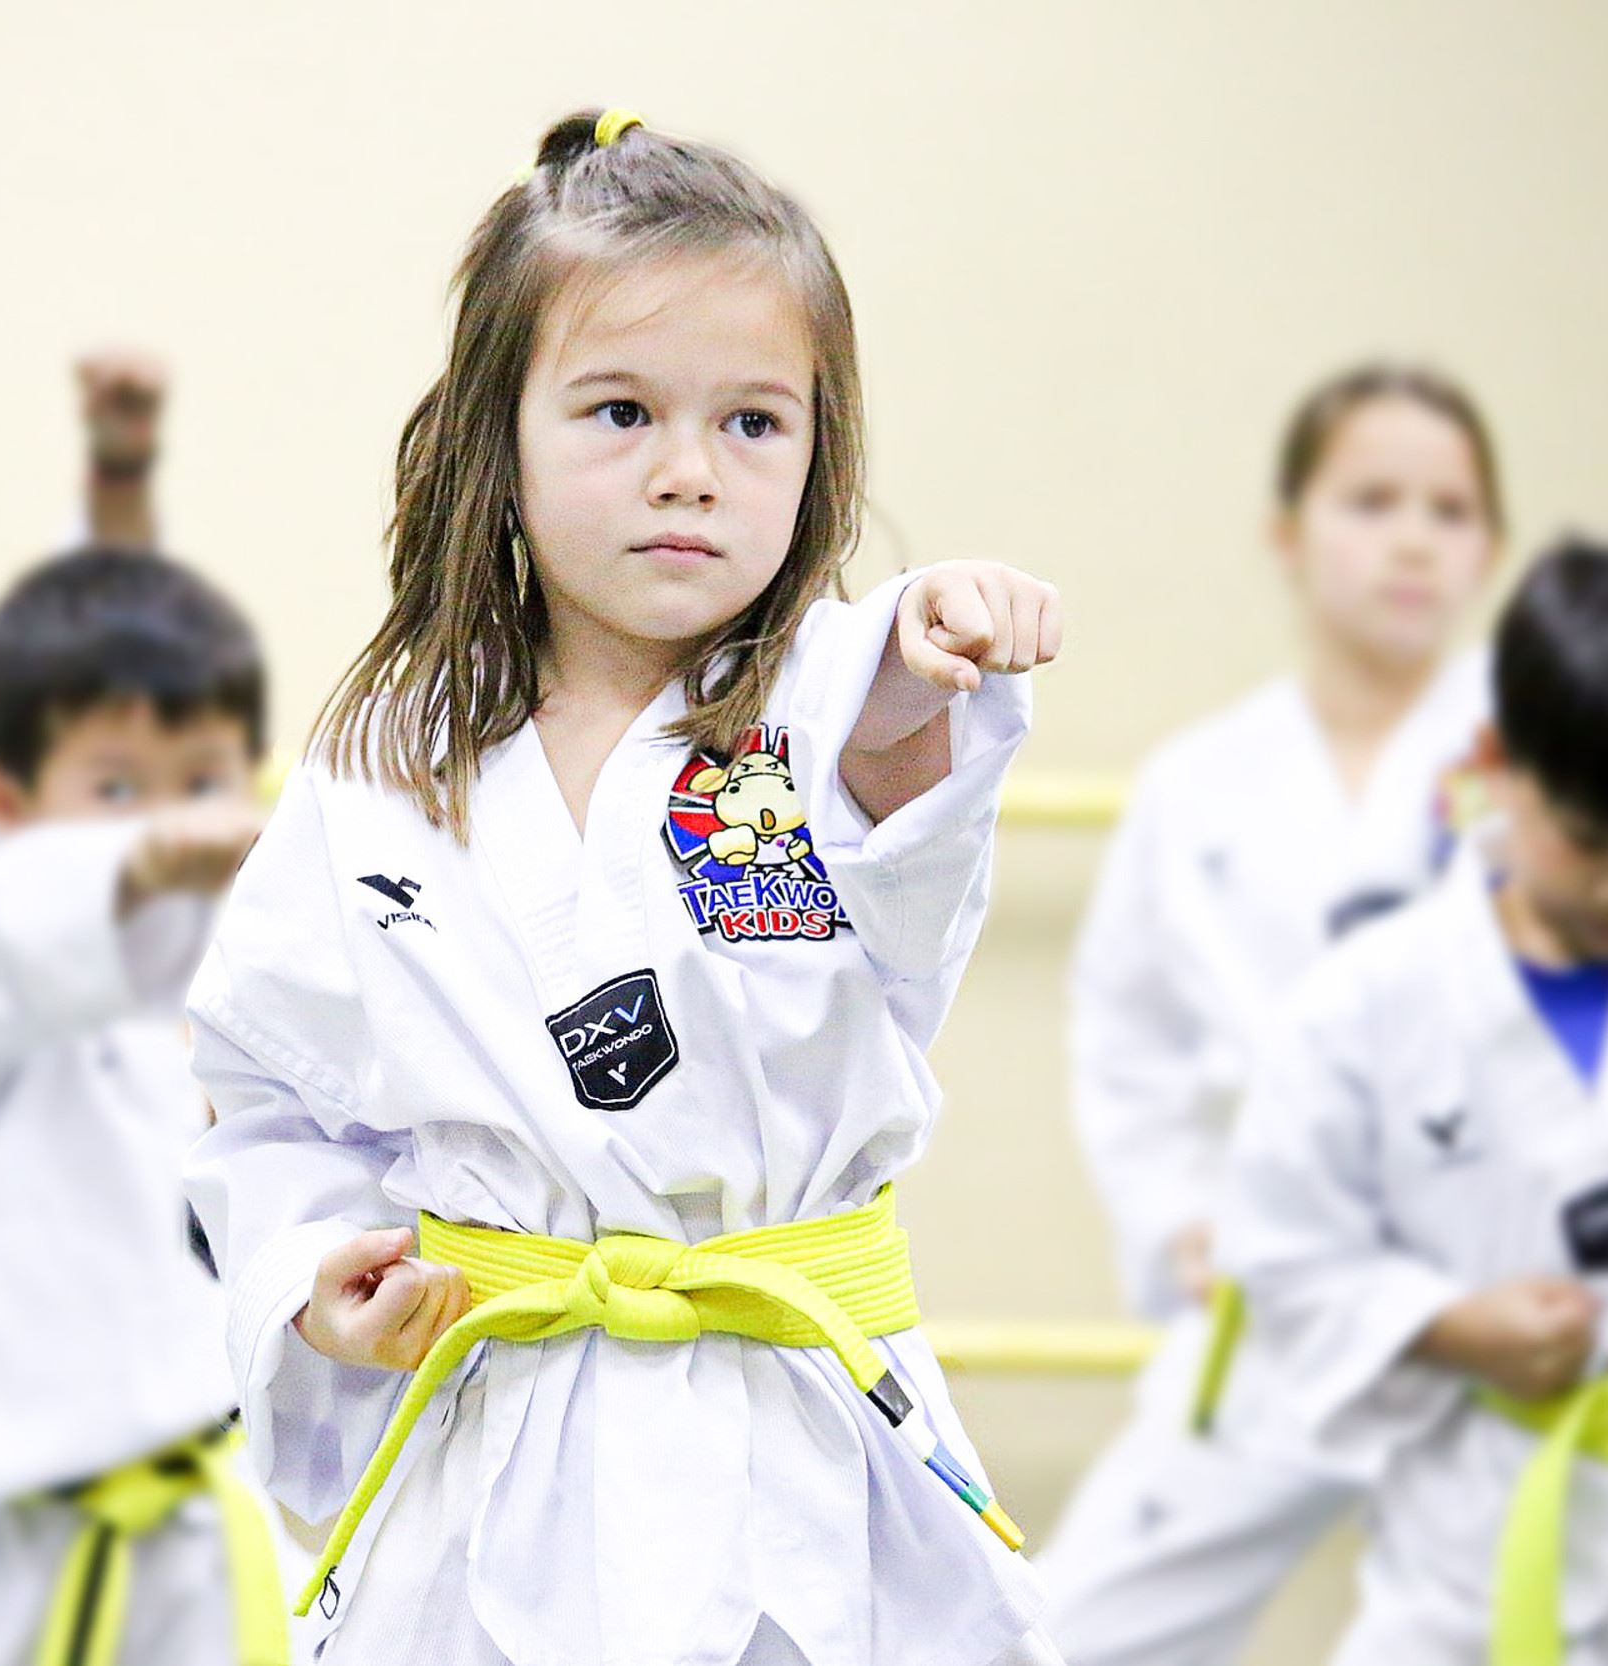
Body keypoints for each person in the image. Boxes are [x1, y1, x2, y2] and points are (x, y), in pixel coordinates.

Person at [185, 109, 1065, 1666]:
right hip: (508, 1434)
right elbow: (271, 1098)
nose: (689, 474)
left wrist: (940, 645)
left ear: (820, 447)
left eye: (753, 425)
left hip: (790, 1432)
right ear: (496, 440)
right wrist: (316, 1274)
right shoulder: (386, 756)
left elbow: (899, 811)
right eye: (618, 411)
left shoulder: (840, 695)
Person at [1219, 537, 1608, 1665]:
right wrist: (1449, 1325)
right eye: (1594, 840)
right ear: (1495, 763)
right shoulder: (1370, 1000)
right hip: (1472, 1566)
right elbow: (1281, 1253)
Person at [1039, 364, 1504, 1664]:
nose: (1413, 536)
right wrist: (1177, 1217)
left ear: (1492, 547)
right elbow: (1125, 1033)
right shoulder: (1202, 785)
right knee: (1077, 1627)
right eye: (1373, 500)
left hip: (1505, 1277)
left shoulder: (1548, 761)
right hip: (1287, 1272)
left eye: (1450, 508)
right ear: (1290, 534)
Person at [0, 547, 300, 1666]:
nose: (164, 821)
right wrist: (167, 841)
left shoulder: (244, 1005)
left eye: (202, 776)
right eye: (115, 786)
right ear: (4, 799)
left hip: (194, 1544)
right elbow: (26, 912)